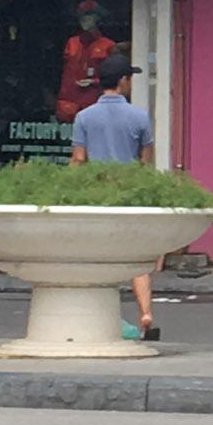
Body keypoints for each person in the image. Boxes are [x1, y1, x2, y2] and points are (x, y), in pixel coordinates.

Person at [70, 54, 160, 339]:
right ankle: (145, 313)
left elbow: (78, 159)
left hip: (97, 195)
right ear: (122, 81)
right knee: (137, 257)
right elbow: (146, 161)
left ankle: (106, 316)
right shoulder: (139, 116)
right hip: (129, 194)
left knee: (101, 259)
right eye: (130, 78)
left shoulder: (84, 117)